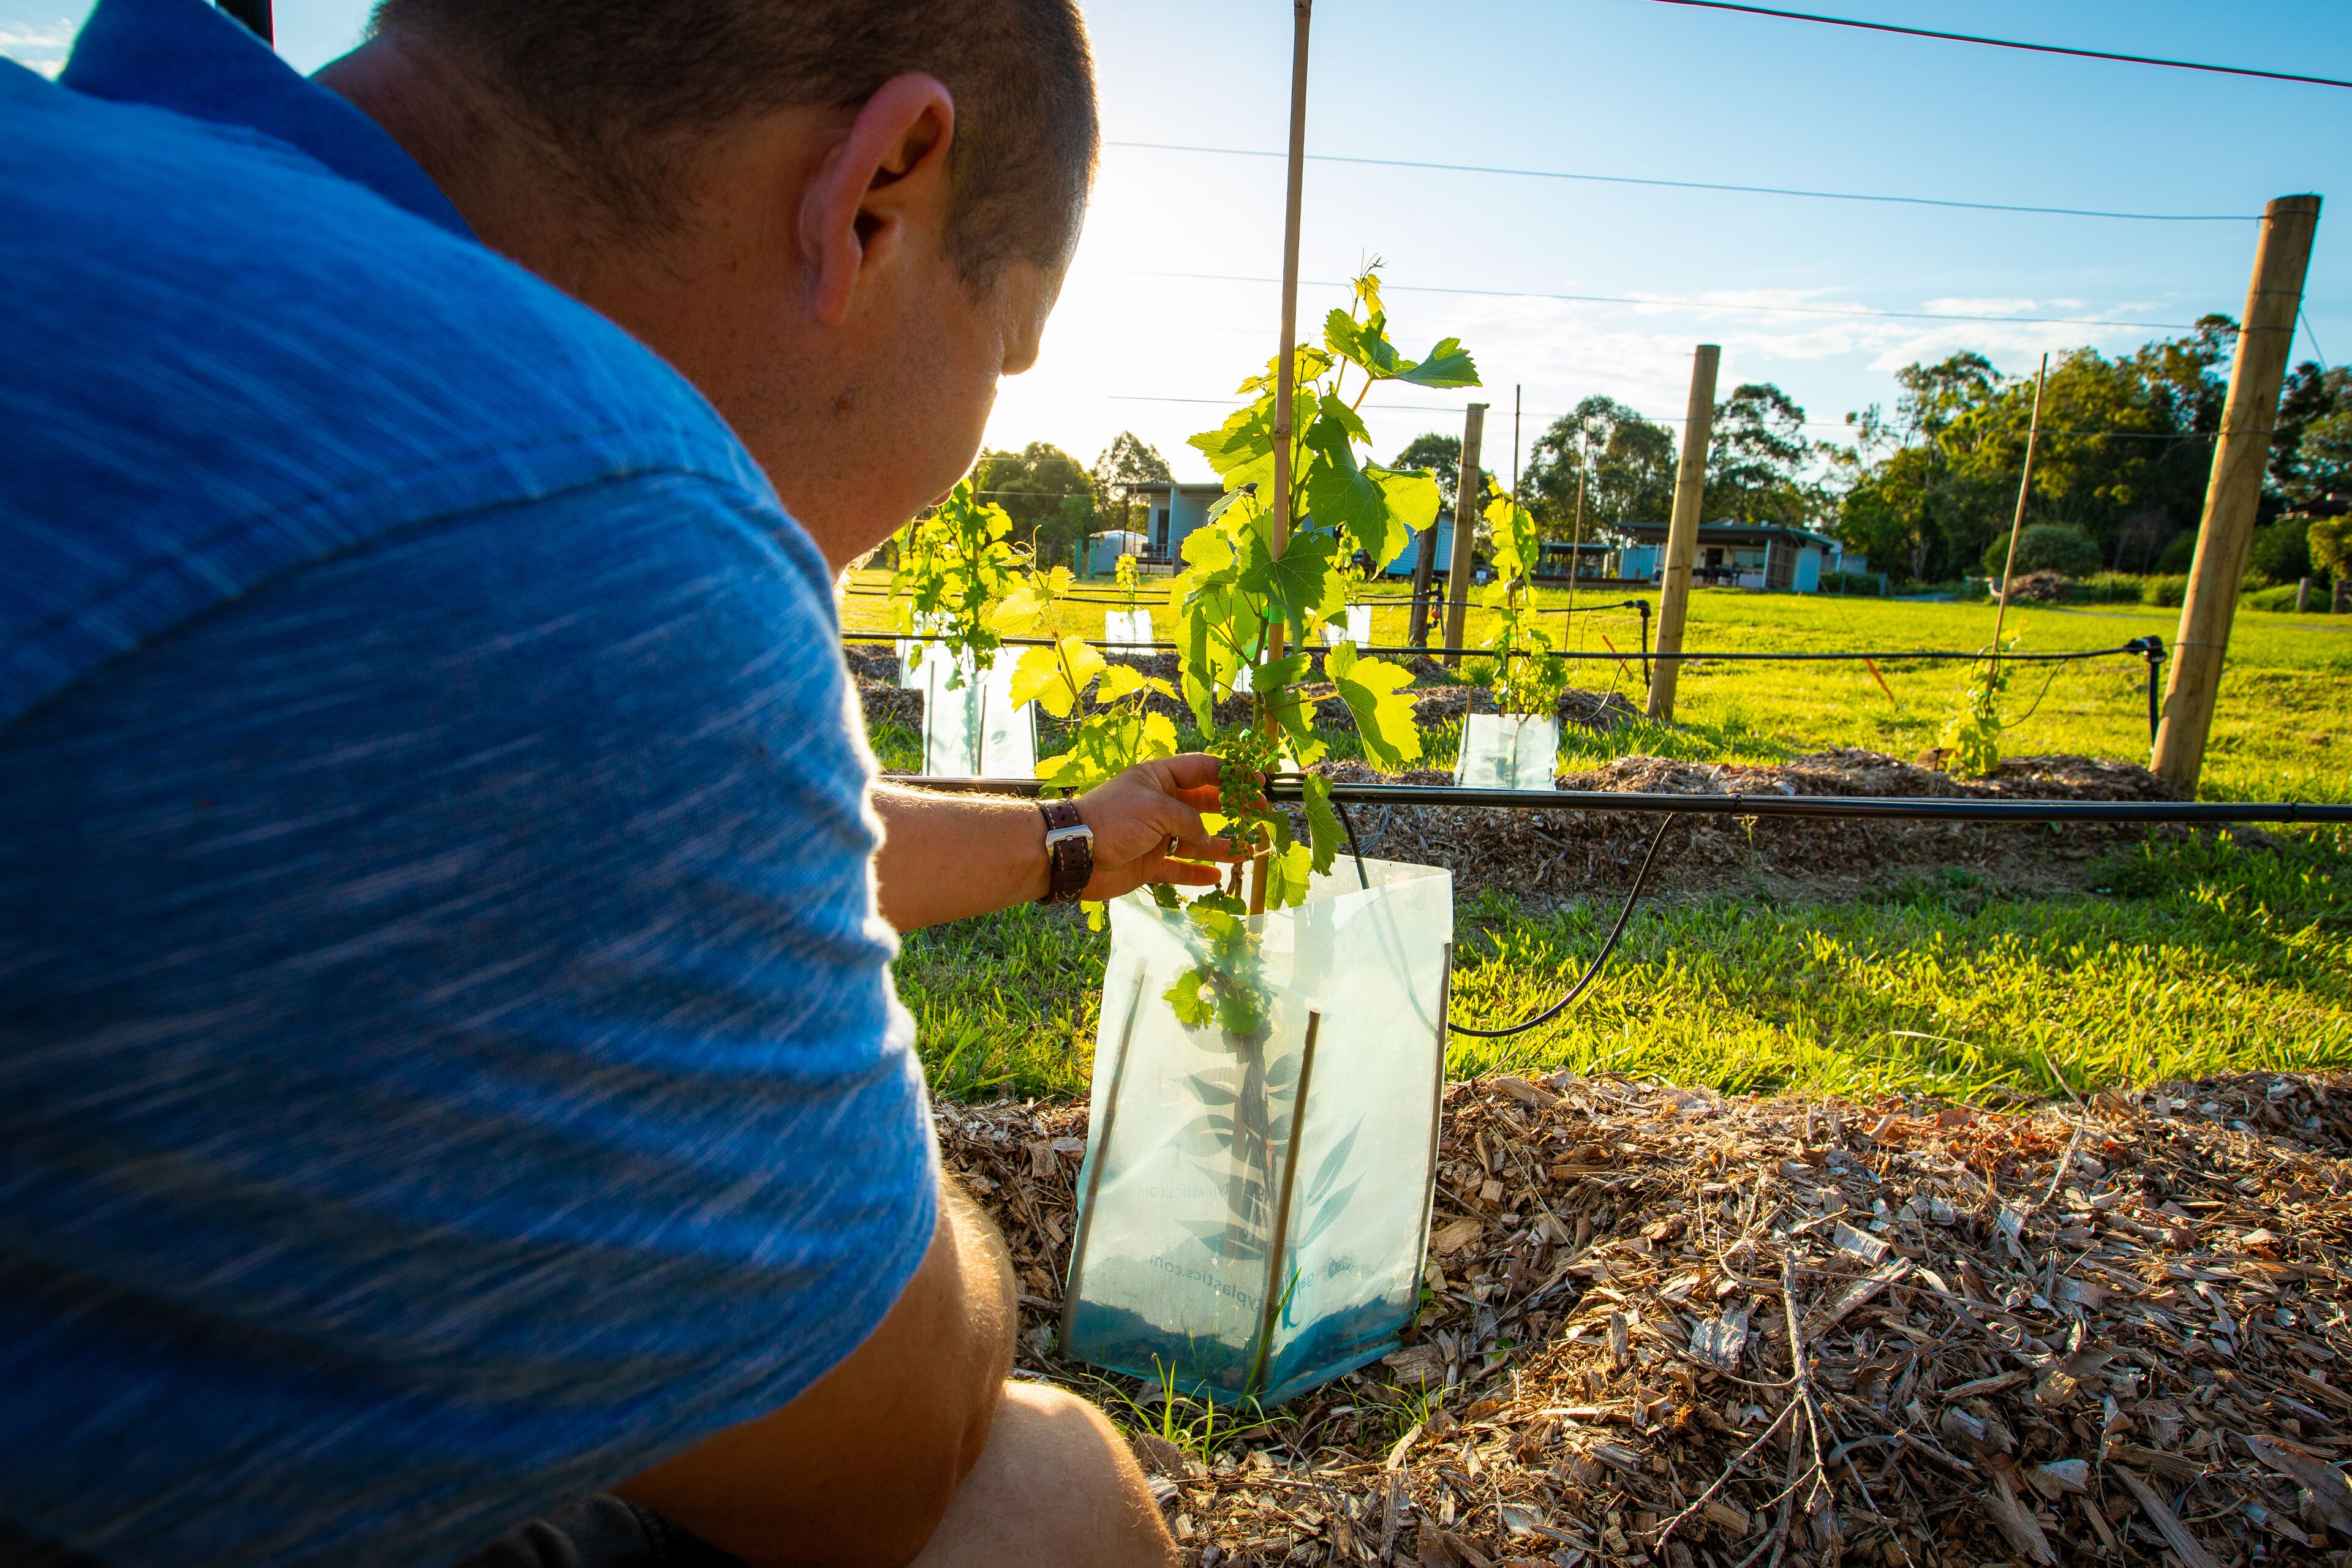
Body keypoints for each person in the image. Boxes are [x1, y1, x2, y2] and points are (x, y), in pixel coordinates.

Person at [0, 0, 1227, 1562]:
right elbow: (877, 1451)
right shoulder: (585, 503)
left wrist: (1067, 837)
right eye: (1007, 346)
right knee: (1043, 1482)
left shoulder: (109, 210)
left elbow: (652, 851)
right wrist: (946, 1237)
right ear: (877, 191)